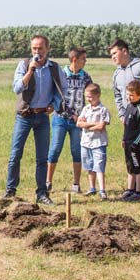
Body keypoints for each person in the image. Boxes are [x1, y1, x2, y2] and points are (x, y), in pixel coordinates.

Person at [6, 35, 67, 204]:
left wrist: (54, 104)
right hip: (24, 116)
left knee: (42, 158)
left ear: (47, 49)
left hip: (42, 117)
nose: (37, 52)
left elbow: (64, 88)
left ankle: (42, 193)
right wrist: (30, 71)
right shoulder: (24, 65)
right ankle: (10, 191)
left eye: (40, 48)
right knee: (15, 154)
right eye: (34, 48)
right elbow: (17, 88)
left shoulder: (54, 68)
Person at [46, 47, 91, 194]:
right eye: (83, 59)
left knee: (77, 151)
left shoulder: (85, 77)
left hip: (78, 121)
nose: (85, 61)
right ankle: (48, 182)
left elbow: (91, 96)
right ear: (75, 59)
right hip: (60, 118)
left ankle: (76, 184)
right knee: (55, 149)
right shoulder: (61, 74)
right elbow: (53, 94)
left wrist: (86, 114)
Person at [77, 83, 110, 199]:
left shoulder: (103, 110)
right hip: (86, 142)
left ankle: (102, 190)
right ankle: (92, 188)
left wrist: (87, 125)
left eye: (90, 97)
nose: (88, 99)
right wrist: (93, 124)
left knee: (99, 166)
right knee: (89, 165)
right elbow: (79, 123)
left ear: (98, 95)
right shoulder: (85, 109)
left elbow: (101, 126)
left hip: (98, 143)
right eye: (87, 97)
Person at [120, 80, 140, 201]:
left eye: (132, 95)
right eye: (128, 94)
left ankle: (138, 191)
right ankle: (130, 189)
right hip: (128, 143)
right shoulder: (129, 106)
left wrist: (136, 143)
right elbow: (126, 125)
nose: (129, 97)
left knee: (137, 167)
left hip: (135, 145)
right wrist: (124, 139)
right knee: (130, 166)